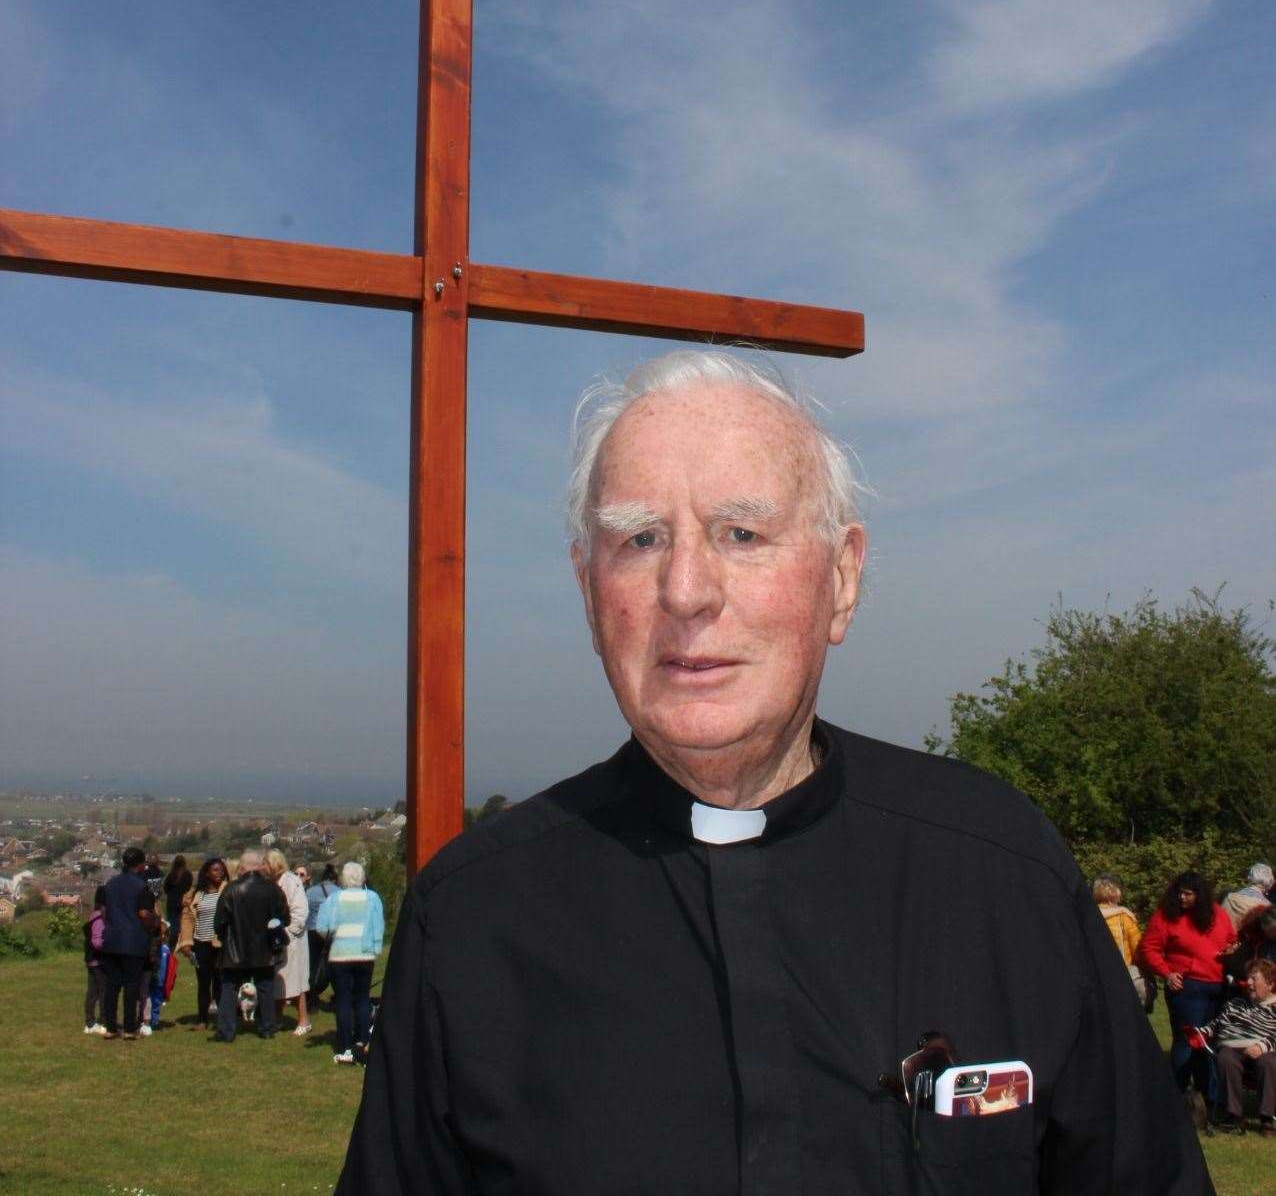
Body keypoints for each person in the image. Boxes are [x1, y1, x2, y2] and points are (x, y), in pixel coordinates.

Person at [337, 350, 1211, 1194]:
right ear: (588, 589)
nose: (686, 590)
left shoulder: (1001, 869)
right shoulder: (475, 916)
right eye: (640, 539)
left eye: (742, 532)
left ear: (843, 576)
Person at [1137, 871, 1236, 1113]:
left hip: (1216, 986)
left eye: (1188, 894)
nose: (1182, 897)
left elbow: (1231, 939)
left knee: (1209, 1043)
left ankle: (1209, 1097)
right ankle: (1176, 1096)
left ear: (1199, 895)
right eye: (1180, 892)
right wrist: (1167, 973)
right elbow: (1148, 948)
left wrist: (1232, 949)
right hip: (1187, 988)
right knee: (1187, 1041)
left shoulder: (1217, 915)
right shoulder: (1167, 916)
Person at [1187, 957, 1276, 1136]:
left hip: (1264, 1050)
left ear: (1270, 984)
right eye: (1248, 978)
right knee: (1226, 1058)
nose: (1248, 982)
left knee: (1269, 1063)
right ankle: (1234, 1115)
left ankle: (1267, 1119)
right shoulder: (1236, 1004)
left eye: (1254, 979)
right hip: (1232, 1047)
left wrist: (1262, 1046)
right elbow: (1217, 1024)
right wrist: (1201, 1032)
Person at [212, 849, 288, 1042]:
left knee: (229, 988)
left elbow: (219, 922)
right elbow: (284, 918)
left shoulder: (231, 889)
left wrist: (224, 938)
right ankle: (267, 1028)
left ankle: (226, 1031)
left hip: (234, 949)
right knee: (265, 988)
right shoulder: (273, 889)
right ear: (260, 866)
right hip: (265, 949)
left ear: (243, 867)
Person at [317, 861, 385, 1066]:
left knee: (343, 1000)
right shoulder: (372, 898)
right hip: (364, 954)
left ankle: (345, 1045)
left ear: (344, 879)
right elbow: (379, 926)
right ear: (362, 877)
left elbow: (321, 927)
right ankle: (362, 1039)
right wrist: (375, 947)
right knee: (362, 998)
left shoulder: (334, 899)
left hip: (340, 954)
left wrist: (335, 936)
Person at [99, 846, 158, 1041]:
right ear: (141, 865)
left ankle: (110, 1027)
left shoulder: (110, 884)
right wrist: (155, 923)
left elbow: (104, 912)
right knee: (132, 986)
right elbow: (143, 913)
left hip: (112, 939)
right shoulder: (142, 886)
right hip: (134, 940)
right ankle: (130, 1028)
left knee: (112, 986)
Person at [177, 857, 230, 1029]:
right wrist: (186, 942)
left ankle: (222, 1019)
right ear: (207, 873)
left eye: (221, 869)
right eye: (215, 870)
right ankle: (202, 1019)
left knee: (220, 981)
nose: (219, 873)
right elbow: (186, 918)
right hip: (201, 942)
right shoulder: (195, 894)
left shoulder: (228, 890)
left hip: (220, 943)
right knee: (203, 982)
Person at [265, 848, 312, 1036]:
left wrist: (288, 932)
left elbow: (300, 912)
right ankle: (277, 1018)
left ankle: (304, 1020)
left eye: (266, 864)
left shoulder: (292, 881)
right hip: (275, 940)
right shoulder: (270, 883)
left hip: (293, 941)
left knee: (297, 982)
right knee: (278, 980)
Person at [1092, 874, 1150, 1009]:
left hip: (1097, 973)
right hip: (1122, 973)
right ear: (1112, 892)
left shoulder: (1089, 915)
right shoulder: (1124, 917)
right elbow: (1138, 947)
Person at [306, 863, 340, 1009]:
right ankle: (338, 997)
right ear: (334, 879)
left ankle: (312, 1000)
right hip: (331, 932)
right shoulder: (339, 892)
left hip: (312, 931)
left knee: (313, 966)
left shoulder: (310, 891)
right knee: (334, 966)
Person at [139, 920, 175, 1036]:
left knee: (157, 1002)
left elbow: (169, 967)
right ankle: (145, 1019)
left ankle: (154, 1021)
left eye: (165, 934)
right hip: (152, 978)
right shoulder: (154, 947)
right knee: (147, 999)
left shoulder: (166, 949)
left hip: (161, 981)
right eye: (161, 934)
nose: (163, 937)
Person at [81, 885, 108, 1035]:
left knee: (92, 992)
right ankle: (102, 1021)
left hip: (92, 960)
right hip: (99, 961)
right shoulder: (99, 918)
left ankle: (90, 1023)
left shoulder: (93, 915)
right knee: (103, 991)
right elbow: (97, 942)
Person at [1221, 863, 1275, 931]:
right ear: (1270, 881)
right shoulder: (1267, 907)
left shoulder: (1229, 898)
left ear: (1249, 877)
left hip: (1221, 938)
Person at [161, 854, 192, 954]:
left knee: (172, 925)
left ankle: (171, 944)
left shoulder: (171, 875)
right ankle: (181, 944)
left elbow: (165, 888)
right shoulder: (188, 875)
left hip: (172, 902)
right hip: (183, 902)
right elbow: (189, 887)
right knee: (183, 924)